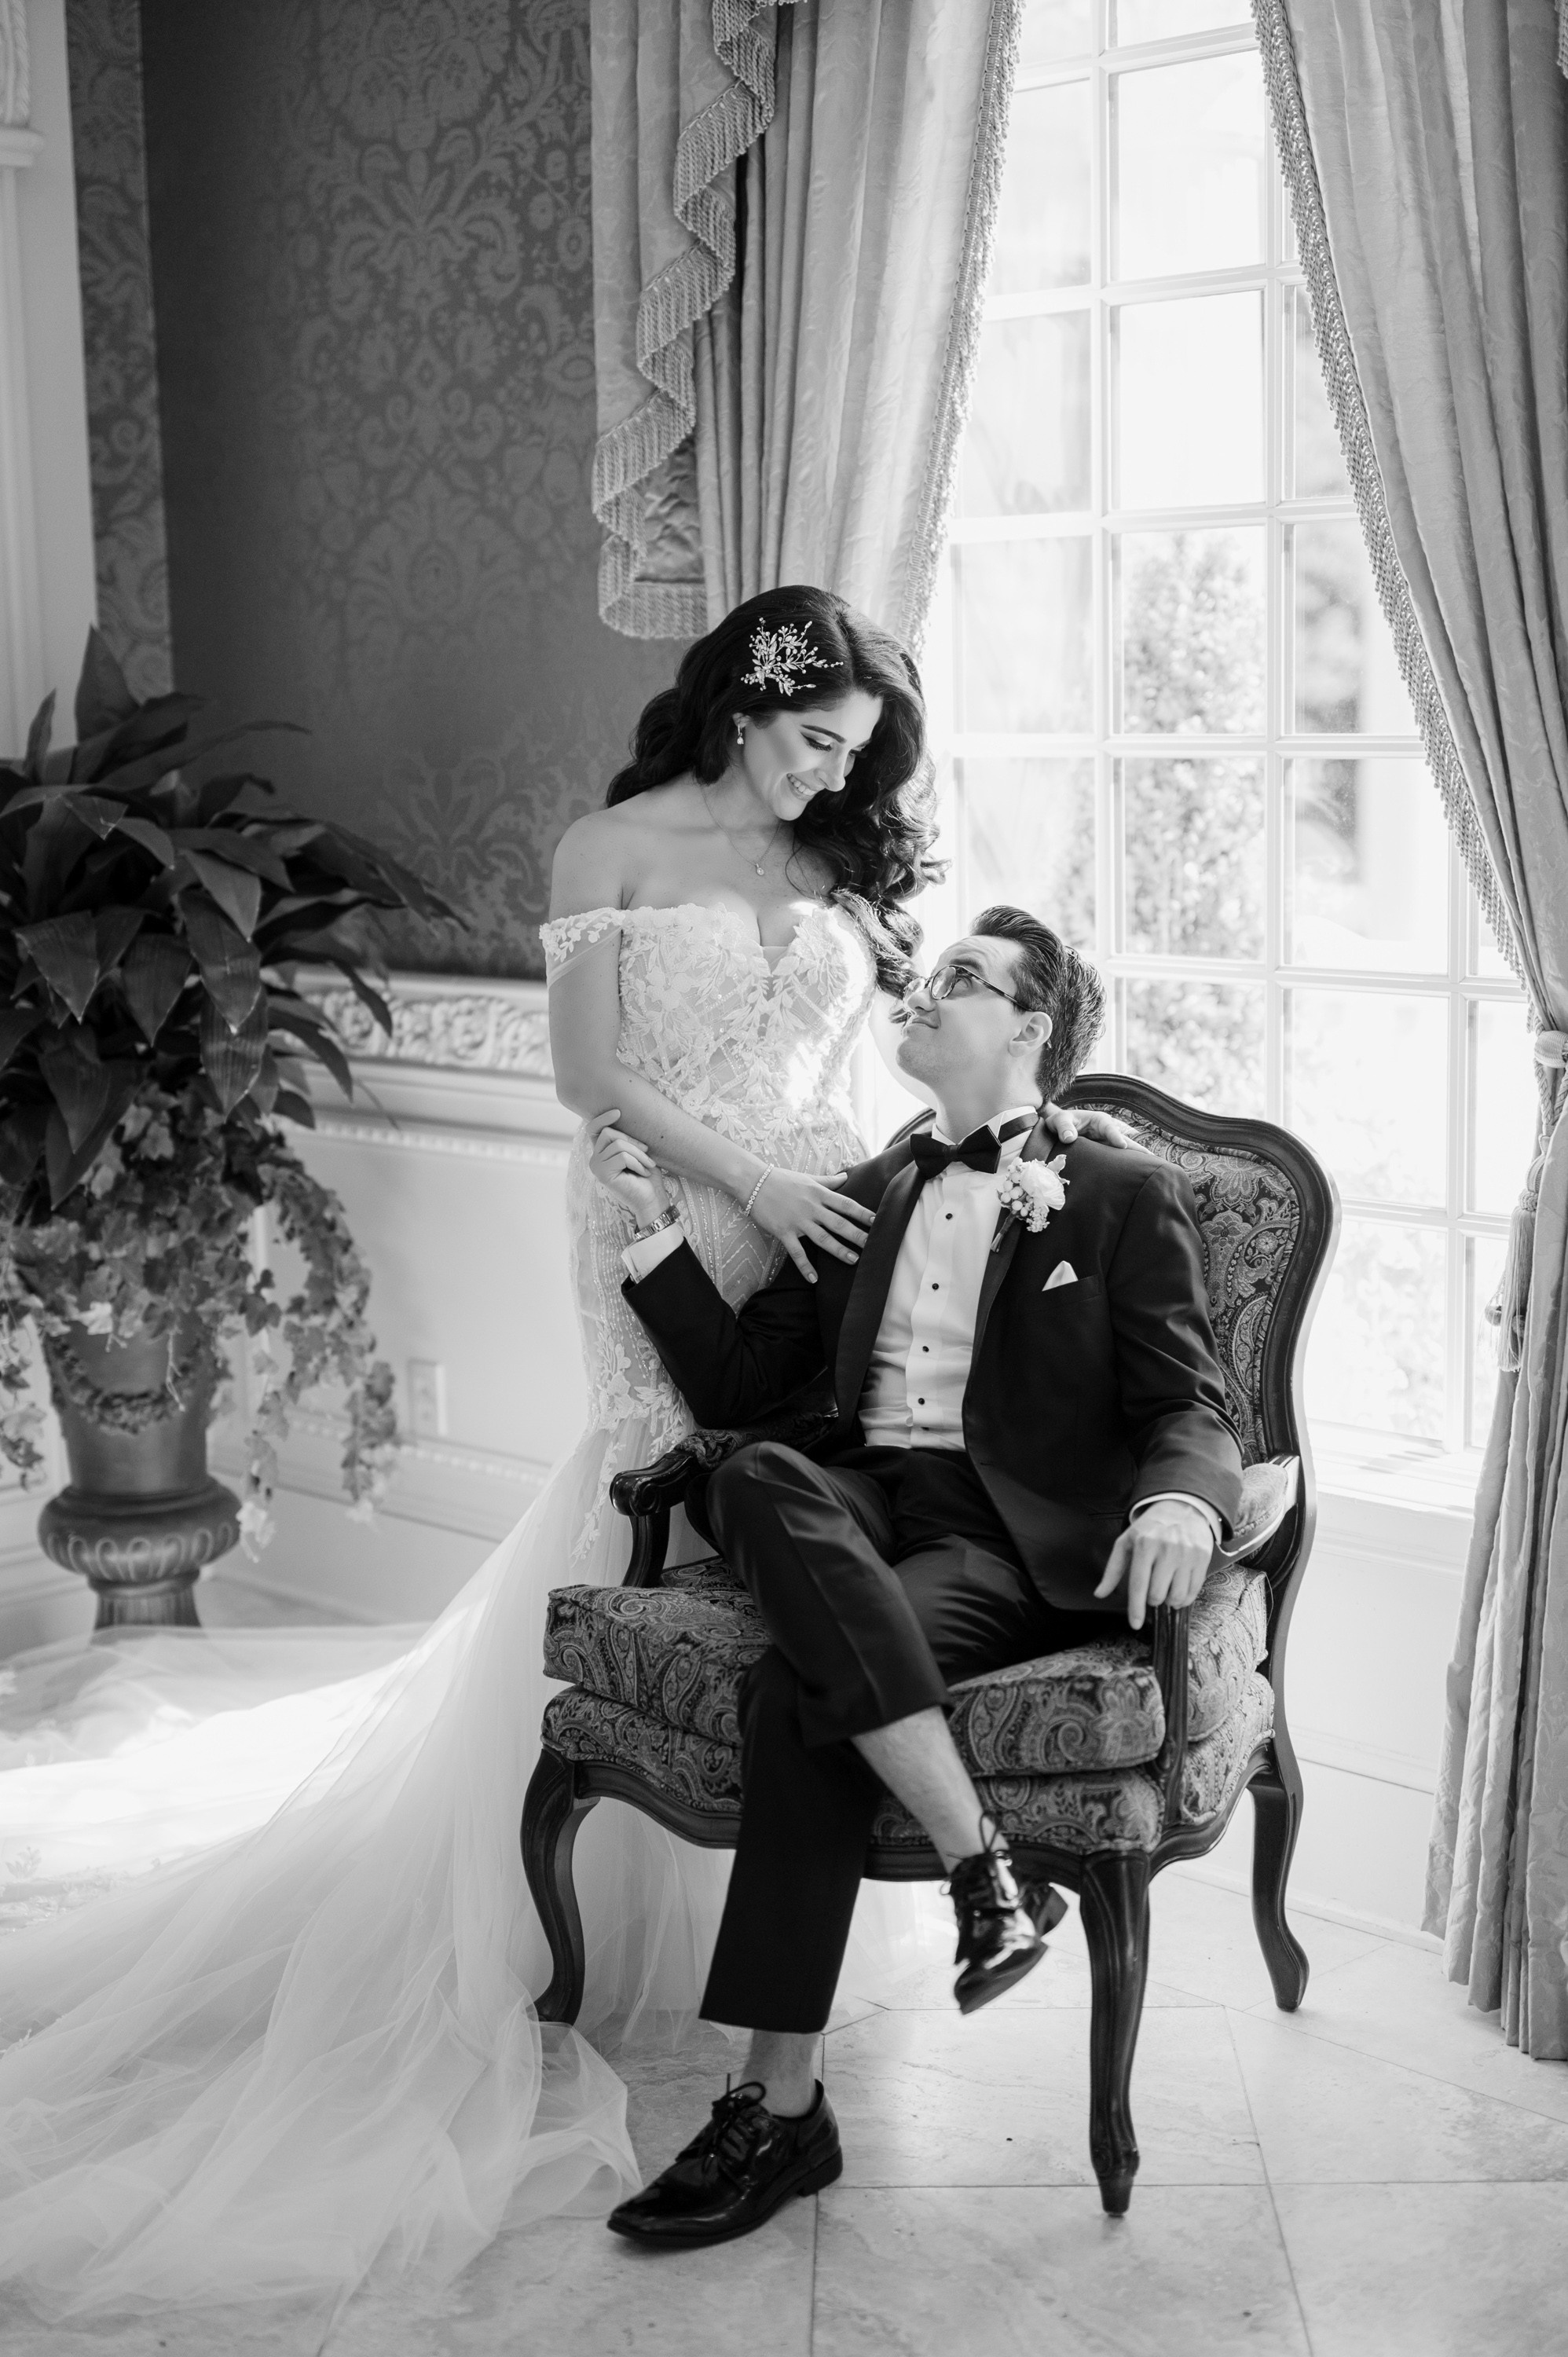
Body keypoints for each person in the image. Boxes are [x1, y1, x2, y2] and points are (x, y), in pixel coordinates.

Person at [0, 591, 1121, 2325]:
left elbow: (911, 1054)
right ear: (746, 700)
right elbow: (583, 1070)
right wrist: (729, 1189)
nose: (837, 771)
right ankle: (604, 1899)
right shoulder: (611, 842)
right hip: (664, 1203)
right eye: (816, 736)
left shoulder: (837, 866)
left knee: (789, 1500)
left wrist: (875, 1182)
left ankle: (786, 1906)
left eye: (858, 754)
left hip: (835, 1215)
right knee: (665, 1489)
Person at [586, 905, 1242, 2248]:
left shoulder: (1117, 1196)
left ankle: (777, 2112)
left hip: (994, 1545)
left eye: (963, 979)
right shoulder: (871, 1184)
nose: (924, 992)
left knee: (794, 1696)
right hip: (854, 1504)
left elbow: (1191, 1398)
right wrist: (649, 1232)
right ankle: (978, 1861)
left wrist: (1181, 1497)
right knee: (752, 1473)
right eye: (926, 971)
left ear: (1030, 1029)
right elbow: (741, 1388)